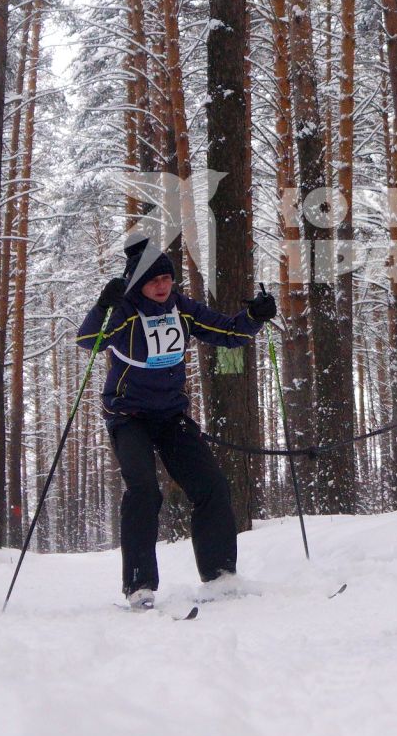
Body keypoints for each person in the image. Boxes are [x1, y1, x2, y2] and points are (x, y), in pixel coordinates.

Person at [77, 231, 277, 609]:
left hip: (170, 415)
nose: (162, 286)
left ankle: (219, 576)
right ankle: (139, 586)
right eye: (154, 280)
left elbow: (227, 332)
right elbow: (90, 340)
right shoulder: (125, 311)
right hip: (128, 416)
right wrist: (103, 305)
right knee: (144, 491)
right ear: (139, 283)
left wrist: (254, 317)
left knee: (211, 485)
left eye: (167, 278)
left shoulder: (181, 308)